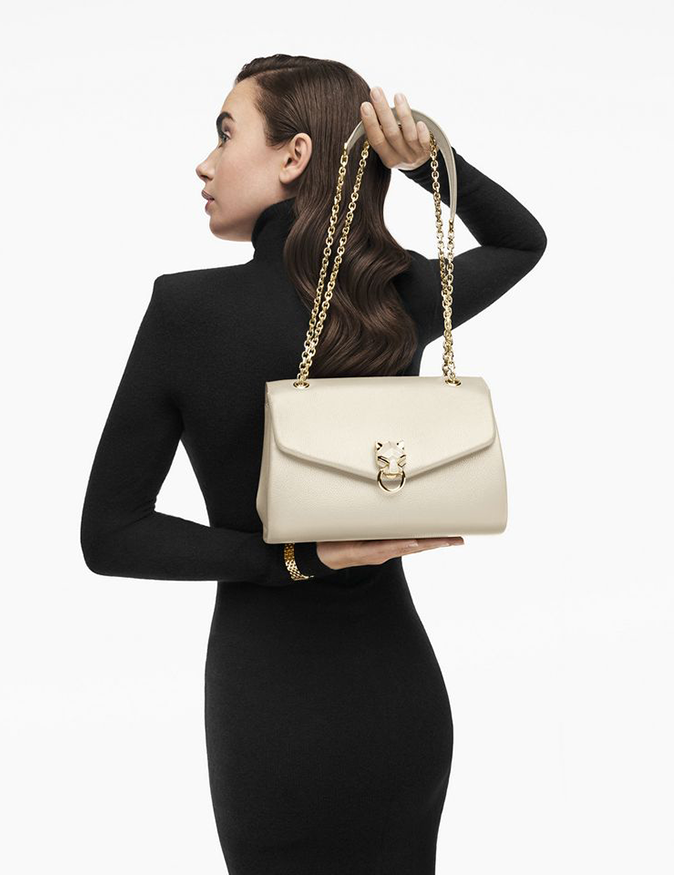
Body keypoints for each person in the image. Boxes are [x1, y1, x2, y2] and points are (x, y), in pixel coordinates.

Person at [80, 55, 547, 875]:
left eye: (226, 134)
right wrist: (426, 160)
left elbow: (111, 533)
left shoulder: (187, 311)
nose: (205, 163)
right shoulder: (393, 298)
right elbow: (520, 240)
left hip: (267, 706)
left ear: (294, 156)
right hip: (398, 694)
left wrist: (286, 559)